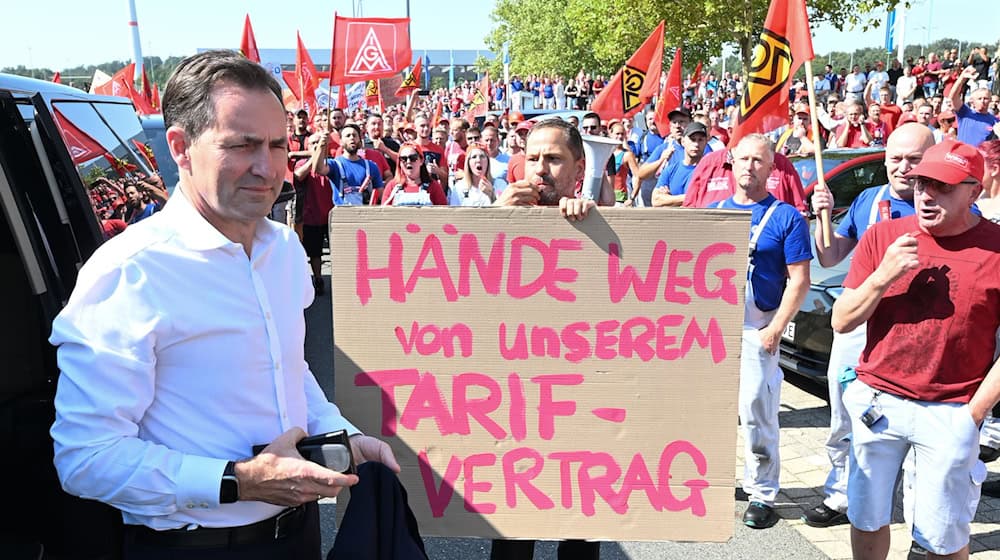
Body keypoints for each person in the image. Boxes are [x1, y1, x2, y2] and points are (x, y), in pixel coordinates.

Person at [49, 49, 399, 560]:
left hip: (298, 538)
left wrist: (340, 435)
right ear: (181, 147)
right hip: (194, 549)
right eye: (242, 145)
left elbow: (287, 366)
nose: (267, 168)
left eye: (279, 146)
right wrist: (237, 482)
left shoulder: (282, 250)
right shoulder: (129, 272)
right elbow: (84, 458)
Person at [833, 138, 1000, 560]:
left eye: (943, 186)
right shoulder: (884, 236)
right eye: (922, 183)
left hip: (951, 409)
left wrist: (973, 414)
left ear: (974, 191)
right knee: (866, 517)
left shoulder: (997, 247)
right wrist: (883, 275)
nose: (926, 194)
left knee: (942, 538)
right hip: (878, 402)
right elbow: (842, 320)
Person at [799, 123, 935, 529]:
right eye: (896, 158)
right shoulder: (867, 199)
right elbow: (829, 257)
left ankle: (917, 519)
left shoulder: (943, 205)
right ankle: (840, 495)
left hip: (913, 330)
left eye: (914, 159)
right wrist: (821, 213)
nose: (904, 168)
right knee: (843, 412)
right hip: (857, 321)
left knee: (913, 426)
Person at [489, 117, 610, 560]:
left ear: (578, 169)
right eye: (533, 158)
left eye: (554, 159)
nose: (540, 169)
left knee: (579, 532)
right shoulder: (498, 214)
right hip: (513, 403)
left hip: (579, 404)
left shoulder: (598, 225)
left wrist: (592, 228)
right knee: (512, 535)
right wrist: (493, 223)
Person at [714, 134, 811, 529]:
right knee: (716, 413)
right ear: (731, 164)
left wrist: (774, 329)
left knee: (758, 411)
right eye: (743, 159)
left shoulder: (787, 217)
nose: (749, 167)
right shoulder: (715, 212)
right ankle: (720, 478)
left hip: (758, 324)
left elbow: (800, 280)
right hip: (716, 329)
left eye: (758, 160)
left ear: (772, 169)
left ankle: (763, 492)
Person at [294, 133, 336, 294]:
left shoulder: (332, 164)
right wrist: (315, 155)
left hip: (333, 215)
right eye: (313, 143)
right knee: (315, 252)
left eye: (320, 143)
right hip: (312, 215)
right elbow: (299, 175)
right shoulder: (302, 163)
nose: (318, 145)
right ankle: (318, 278)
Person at [311, 123, 384, 206]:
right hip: (342, 216)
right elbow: (319, 169)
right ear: (341, 142)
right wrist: (322, 145)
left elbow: (381, 195)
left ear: (360, 141)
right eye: (348, 136)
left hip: (365, 215)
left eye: (354, 135)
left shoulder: (371, 166)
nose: (352, 138)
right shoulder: (335, 164)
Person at [649, 121, 708, 207]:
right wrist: (689, 198)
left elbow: (706, 199)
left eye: (700, 140)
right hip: (674, 219)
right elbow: (656, 200)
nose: (696, 144)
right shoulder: (670, 170)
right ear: (683, 141)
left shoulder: (709, 171)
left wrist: (670, 198)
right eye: (692, 139)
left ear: (706, 142)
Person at [380, 142, 448, 207]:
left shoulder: (433, 186)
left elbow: (444, 214)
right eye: (404, 159)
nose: (408, 162)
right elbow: (383, 213)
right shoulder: (392, 187)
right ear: (399, 163)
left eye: (413, 158)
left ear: (421, 161)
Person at [950, 65, 999, 148]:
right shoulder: (964, 113)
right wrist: (962, 78)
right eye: (979, 98)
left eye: (986, 98)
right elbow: (953, 96)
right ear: (972, 101)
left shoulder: (995, 121)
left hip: (982, 158)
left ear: (990, 100)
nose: (983, 101)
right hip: (964, 155)